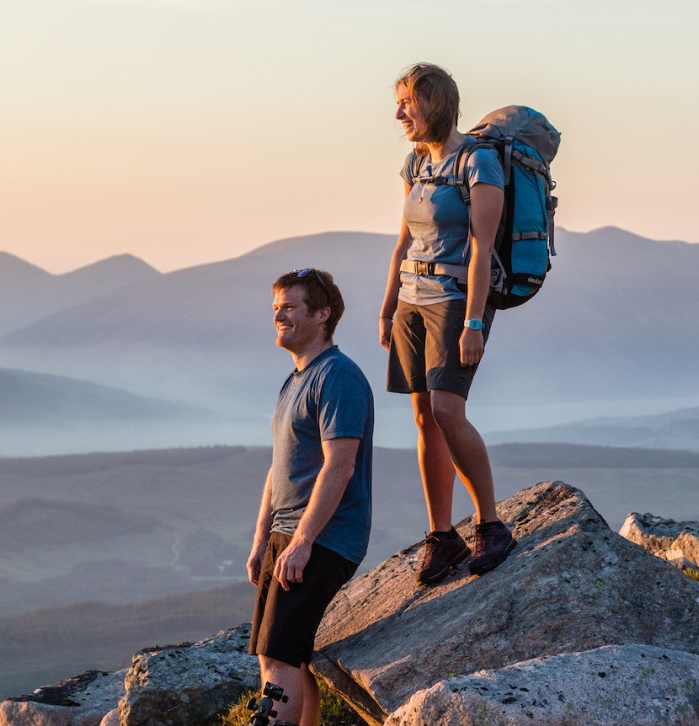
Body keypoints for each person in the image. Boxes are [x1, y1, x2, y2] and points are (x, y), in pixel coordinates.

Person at [379, 62, 516, 586]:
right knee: (422, 417)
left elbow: (483, 246)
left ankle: (492, 524)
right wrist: (388, 306)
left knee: (447, 410)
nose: (399, 114)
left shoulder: (478, 162)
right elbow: (403, 240)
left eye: (408, 103)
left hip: (457, 301)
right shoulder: (415, 163)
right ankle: (442, 536)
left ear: (434, 103)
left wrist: (476, 322)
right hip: (413, 300)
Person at [247, 268, 374, 726]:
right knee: (288, 657)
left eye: (290, 306)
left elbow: (340, 466)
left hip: (321, 537)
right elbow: (279, 467)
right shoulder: (296, 378)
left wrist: (302, 541)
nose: (279, 314)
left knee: (278, 658)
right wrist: (262, 539)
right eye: (276, 307)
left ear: (322, 315)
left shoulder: (337, 377)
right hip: (290, 535)